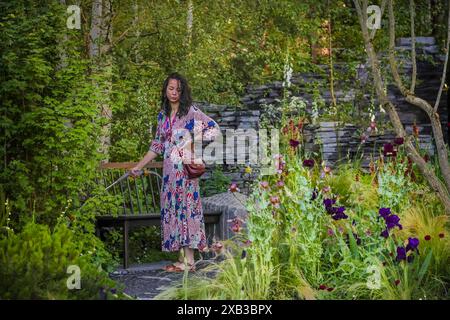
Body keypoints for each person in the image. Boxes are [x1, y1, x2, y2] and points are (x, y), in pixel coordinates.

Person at [129, 72, 220, 272]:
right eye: (170, 88)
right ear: (165, 90)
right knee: (174, 211)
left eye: (178, 89)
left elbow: (214, 129)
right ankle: (182, 259)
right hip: (170, 174)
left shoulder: (190, 112)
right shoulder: (162, 116)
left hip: (186, 173)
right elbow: (157, 146)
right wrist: (139, 166)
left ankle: (189, 261)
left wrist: (193, 140)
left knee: (186, 211)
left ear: (183, 91)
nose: (174, 93)